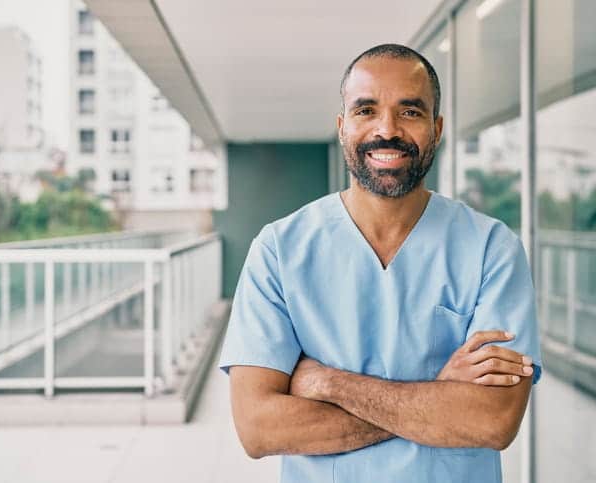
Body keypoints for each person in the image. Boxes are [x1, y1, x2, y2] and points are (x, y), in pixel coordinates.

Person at [219, 43, 542, 483]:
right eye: (366, 110)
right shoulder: (279, 250)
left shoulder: (491, 249)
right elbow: (258, 427)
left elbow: (492, 422)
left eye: (410, 112)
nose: (386, 129)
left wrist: (330, 384)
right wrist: (438, 399)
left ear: (437, 127)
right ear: (342, 126)